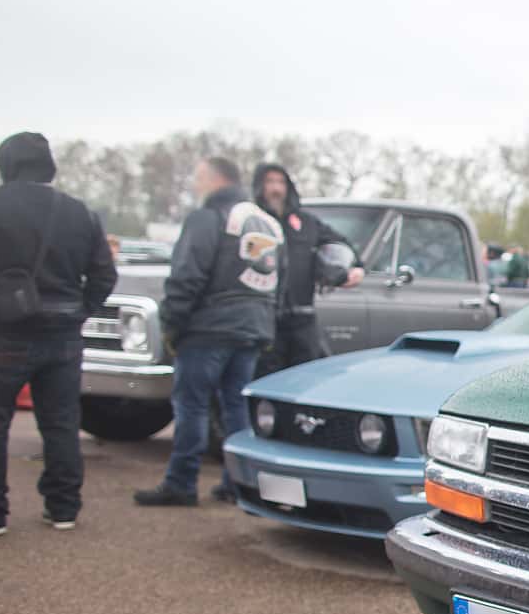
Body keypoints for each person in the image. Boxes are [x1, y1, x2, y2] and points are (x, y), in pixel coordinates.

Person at [0, 132, 116, 537]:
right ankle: (63, 507)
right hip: (64, 333)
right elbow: (104, 274)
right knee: (61, 422)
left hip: (5, 331)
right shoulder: (80, 212)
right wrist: (81, 311)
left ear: (6, 163)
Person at [134, 157, 281, 508]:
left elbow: (187, 275)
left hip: (208, 329)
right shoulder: (267, 223)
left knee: (192, 405)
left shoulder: (208, 217)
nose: (195, 185)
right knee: (236, 408)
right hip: (252, 328)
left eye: (198, 178)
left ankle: (181, 483)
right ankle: (237, 483)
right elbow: (280, 281)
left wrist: (172, 325)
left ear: (213, 179)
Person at [252, 162, 361, 371]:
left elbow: (341, 245)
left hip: (302, 319)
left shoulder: (306, 222)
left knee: (305, 377)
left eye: (280, 182)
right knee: (264, 379)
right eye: (269, 182)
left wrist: (355, 269)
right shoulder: (253, 222)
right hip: (264, 319)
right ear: (259, 186)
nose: (276, 188)